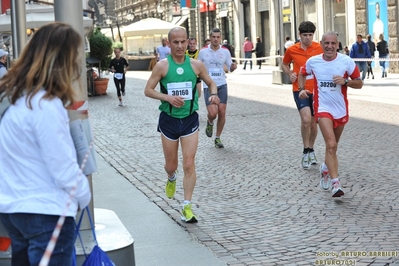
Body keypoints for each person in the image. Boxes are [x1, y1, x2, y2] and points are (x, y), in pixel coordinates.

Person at [0, 22, 91, 265]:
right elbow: (63, 168)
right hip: (46, 212)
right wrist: (84, 194)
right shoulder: (45, 105)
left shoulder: (15, 99)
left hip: (15, 209)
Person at [144, 27, 220, 223]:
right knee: (172, 165)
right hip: (169, 121)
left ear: (188, 42)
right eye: (175, 42)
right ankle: (170, 177)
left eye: (182, 42)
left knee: (188, 163)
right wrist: (167, 97)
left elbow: (211, 83)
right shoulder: (162, 66)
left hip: (189, 120)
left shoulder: (196, 65)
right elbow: (148, 90)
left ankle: (186, 206)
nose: (179, 46)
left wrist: (213, 94)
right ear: (169, 44)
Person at [298, 31, 363, 197]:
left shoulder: (346, 61)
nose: (329, 46)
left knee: (333, 146)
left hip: (340, 109)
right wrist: (301, 89)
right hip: (322, 109)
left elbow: (359, 82)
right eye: (326, 43)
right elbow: (302, 72)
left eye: (333, 43)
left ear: (338, 45)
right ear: (321, 44)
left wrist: (346, 82)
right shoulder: (314, 62)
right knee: (331, 144)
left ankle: (325, 168)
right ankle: (336, 184)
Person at [281, 21, 323, 169]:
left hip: (317, 90)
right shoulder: (292, 50)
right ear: (299, 35)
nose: (307, 38)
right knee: (305, 120)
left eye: (310, 35)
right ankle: (305, 150)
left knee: (313, 123)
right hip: (299, 89)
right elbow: (284, 64)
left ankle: (311, 149)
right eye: (305, 35)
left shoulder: (319, 48)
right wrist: (290, 73)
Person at [198, 28, 237, 149]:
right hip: (208, 85)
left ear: (220, 38)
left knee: (221, 111)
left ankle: (217, 138)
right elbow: (197, 66)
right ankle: (210, 122)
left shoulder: (225, 51)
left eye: (218, 37)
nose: (215, 39)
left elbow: (230, 65)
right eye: (213, 37)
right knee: (213, 113)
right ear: (210, 38)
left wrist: (233, 66)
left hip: (222, 84)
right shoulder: (203, 52)